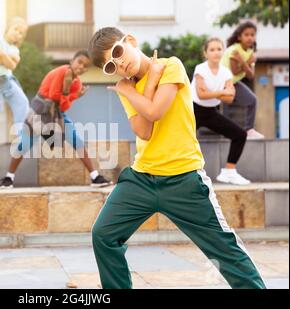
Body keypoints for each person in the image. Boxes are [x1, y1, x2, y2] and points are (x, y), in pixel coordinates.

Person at [88, 27, 265, 289]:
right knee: (103, 234)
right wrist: (136, 89)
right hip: (142, 179)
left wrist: (132, 91)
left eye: (117, 52)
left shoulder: (171, 66)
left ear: (131, 41)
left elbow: (156, 111)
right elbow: (144, 131)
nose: (119, 64)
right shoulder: (130, 89)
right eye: (111, 66)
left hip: (184, 180)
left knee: (223, 249)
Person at [0, 51, 112, 189]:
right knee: (25, 143)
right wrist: (67, 91)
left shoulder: (76, 84)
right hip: (40, 109)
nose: (81, 67)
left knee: (76, 140)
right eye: (79, 62)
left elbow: (64, 106)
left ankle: (95, 177)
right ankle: (8, 178)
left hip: (57, 112)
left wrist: (73, 95)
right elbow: (52, 95)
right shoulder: (62, 71)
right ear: (72, 61)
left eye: (85, 66)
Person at [192, 37, 250, 185]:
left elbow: (230, 98)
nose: (216, 52)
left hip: (211, 112)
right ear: (205, 53)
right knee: (184, 142)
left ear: (223, 52)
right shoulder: (200, 69)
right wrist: (221, 92)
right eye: (212, 49)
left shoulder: (226, 72)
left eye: (219, 49)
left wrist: (216, 93)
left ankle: (229, 172)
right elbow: (201, 95)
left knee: (240, 135)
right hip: (192, 110)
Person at [222, 21, 264, 140]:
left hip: (233, 82)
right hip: (221, 82)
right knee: (224, 105)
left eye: (252, 34)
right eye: (246, 34)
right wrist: (246, 63)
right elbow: (235, 71)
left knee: (252, 100)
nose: (250, 37)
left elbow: (251, 75)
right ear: (239, 37)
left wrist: (243, 62)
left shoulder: (250, 51)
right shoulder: (234, 50)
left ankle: (249, 129)